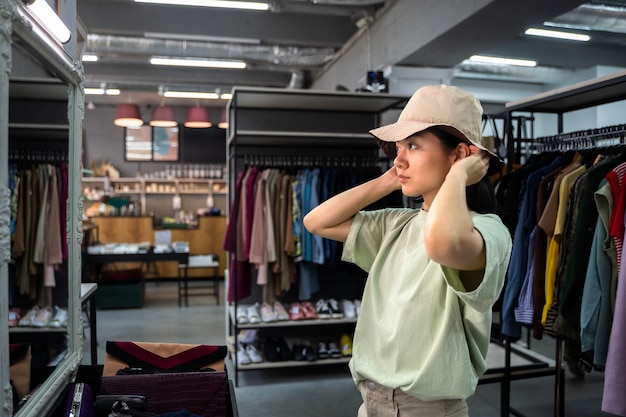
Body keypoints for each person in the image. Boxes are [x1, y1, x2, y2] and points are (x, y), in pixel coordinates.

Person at [303, 84, 512, 417]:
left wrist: (458, 177)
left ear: (459, 154)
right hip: (371, 400)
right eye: (397, 148)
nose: (399, 159)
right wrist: (391, 178)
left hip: (427, 409)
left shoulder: (487, 231)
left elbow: (441, 244)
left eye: (413, 145)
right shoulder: (396, 224)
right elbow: (317, 222)